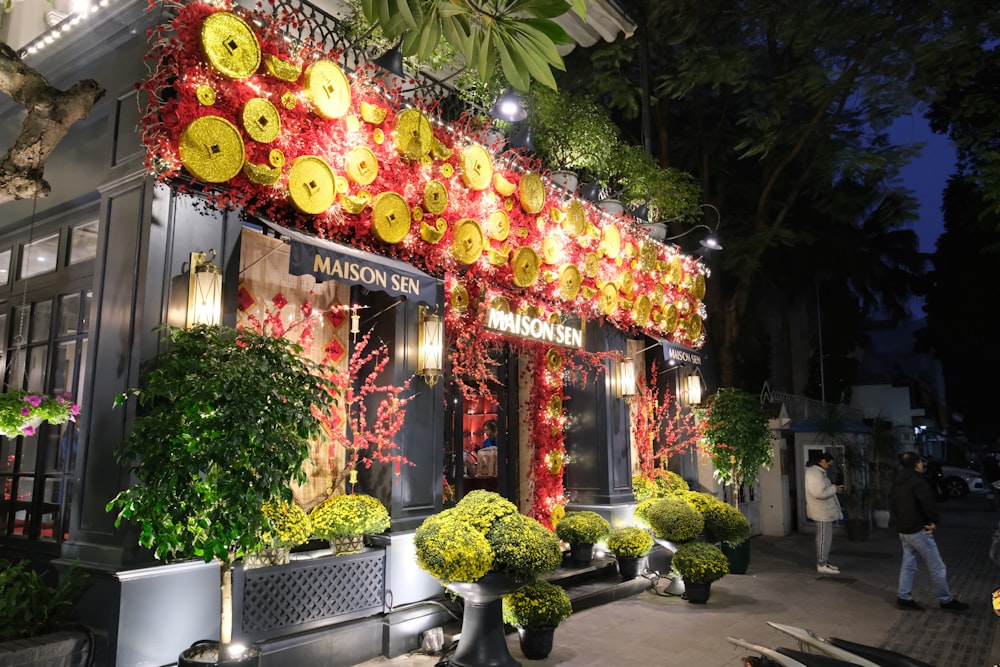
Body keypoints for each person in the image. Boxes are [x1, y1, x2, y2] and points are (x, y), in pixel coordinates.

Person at [891, 451, 969, 612]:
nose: (922, 465)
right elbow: (927, 502)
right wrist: (933, 521)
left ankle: (904, 597)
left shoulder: (898, 480)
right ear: (915, 464)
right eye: (920, 462)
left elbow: (894, 504)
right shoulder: (918, 481)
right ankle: (946, 600)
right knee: (937, 566)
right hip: (917, 529)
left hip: (903, 529)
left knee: (908, 563)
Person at [805, 452, 844, 575]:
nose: (828, 466)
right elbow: (818, 493)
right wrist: (834, 489)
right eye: (828, 463)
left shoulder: (818, 472)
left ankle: (824, 562)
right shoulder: (814, 473)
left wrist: (834, 489)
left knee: (825, 538)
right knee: (823, 538)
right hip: (821, 511)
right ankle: (822, 563)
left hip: (824, 511)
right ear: (821, 461)